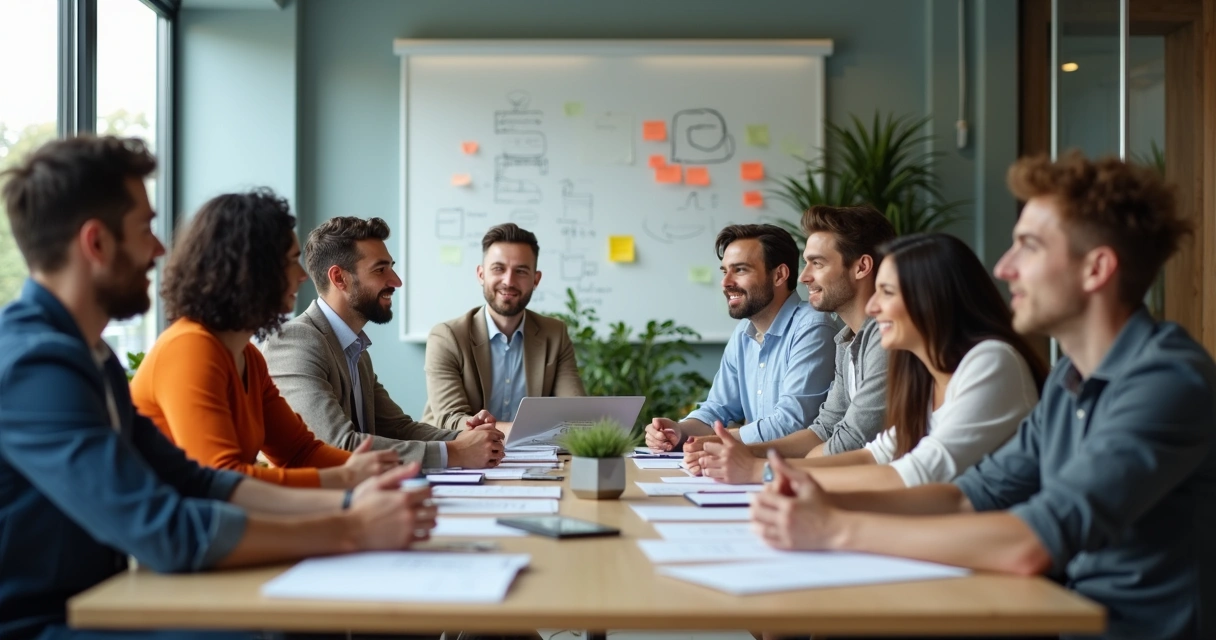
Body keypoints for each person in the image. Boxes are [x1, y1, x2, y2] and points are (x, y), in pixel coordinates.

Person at [751, 152, 1216, 640]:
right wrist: (819, 499)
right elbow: (969, 496)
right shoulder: (1068, 381)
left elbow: (1032, 540)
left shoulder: (1166, 381)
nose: (1004, 266)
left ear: (1096, 269)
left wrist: (835, 530)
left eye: (1029, 247)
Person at [0, 135, 435, 640]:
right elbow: (165, 530)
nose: (160, 248)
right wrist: (352, 526)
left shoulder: (84, 353)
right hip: (45, 624)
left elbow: (197, 481)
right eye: (145, 229)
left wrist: (347, 501)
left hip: (105, 600)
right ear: (96, 243)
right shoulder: (36, 365)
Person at [698, 233, 1046, 491]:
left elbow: (915, 474)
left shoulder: (989, 361)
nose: (874, 306)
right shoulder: (921, 373)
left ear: (934, 300)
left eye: (888, 292)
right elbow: (874, 456)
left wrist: (763, 472)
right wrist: (763, 465)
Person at [131, 189, 397, 488]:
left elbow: (299, 453)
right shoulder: (189, 348)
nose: (302, 275)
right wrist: (348, 478)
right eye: (291, 261)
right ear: (250, 270)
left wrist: (379, 471)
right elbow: (223, 478)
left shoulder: (249, 358)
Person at [263, 216, 505, 469]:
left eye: (391, 267)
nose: (396, 281)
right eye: (380, 270)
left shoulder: (355, 348)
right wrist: (452, 452)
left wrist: (467, 438)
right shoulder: (296, 341)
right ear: (339, 278)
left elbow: (398, 428)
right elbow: (336, 445)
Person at [681, 205, 896, 481]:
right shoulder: (847, 341)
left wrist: (759, 468)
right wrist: (740, 452)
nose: (804, 276)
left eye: (817, 263)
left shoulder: (884, 338)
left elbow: (849, 441)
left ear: (862, 267)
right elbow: (824, 429)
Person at [643, 224, 837, 447]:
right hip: (753, 470)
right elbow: (718, 408)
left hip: (800, 472)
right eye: (725, 271)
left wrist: (707, 441)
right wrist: (678, 430)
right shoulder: (743, 334)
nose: (726, 283)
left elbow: (791, 423)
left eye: (740, 270)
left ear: (780, 275)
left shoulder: (813, 326)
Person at [422, 223, 585, 430]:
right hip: (460, 456)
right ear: (481, 274)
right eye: (498, 268)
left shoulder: (554, 334)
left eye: (521, 271)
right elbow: (451, 421)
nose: (508, 281)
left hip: (535, 457)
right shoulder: (446, 337)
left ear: (536, 280)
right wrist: (528, 431)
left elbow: (576, 413)